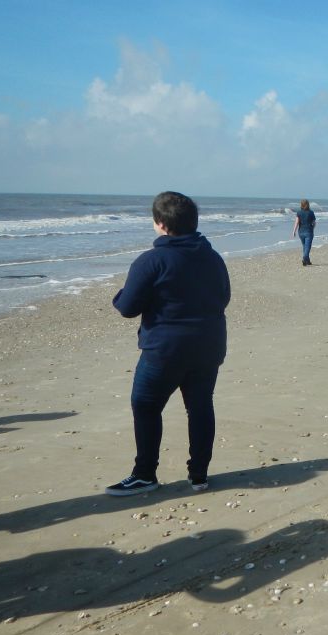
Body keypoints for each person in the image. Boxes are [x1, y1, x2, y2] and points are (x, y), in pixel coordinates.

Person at [106, 191, 231, 496]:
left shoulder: (152, 260)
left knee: (145, 405)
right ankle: (199, 475)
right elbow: (223, 297)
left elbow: (127, 307)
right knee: (200, 407)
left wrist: (120, 295)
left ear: (160, 224)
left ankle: (145, 474)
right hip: (208, 345)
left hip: (166, 349)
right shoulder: (212, 257)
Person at [292, 198, 317, 266]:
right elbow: (314, 223)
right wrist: (313, 228)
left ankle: (307, 261)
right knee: (307, 247)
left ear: (301, 205)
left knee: (304, 246)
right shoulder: (311, 212)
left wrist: (294, 231)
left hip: (301, 232)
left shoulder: (299, 212)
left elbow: (296, 222)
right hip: (309, 232)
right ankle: (304, 258)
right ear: (308, 204)